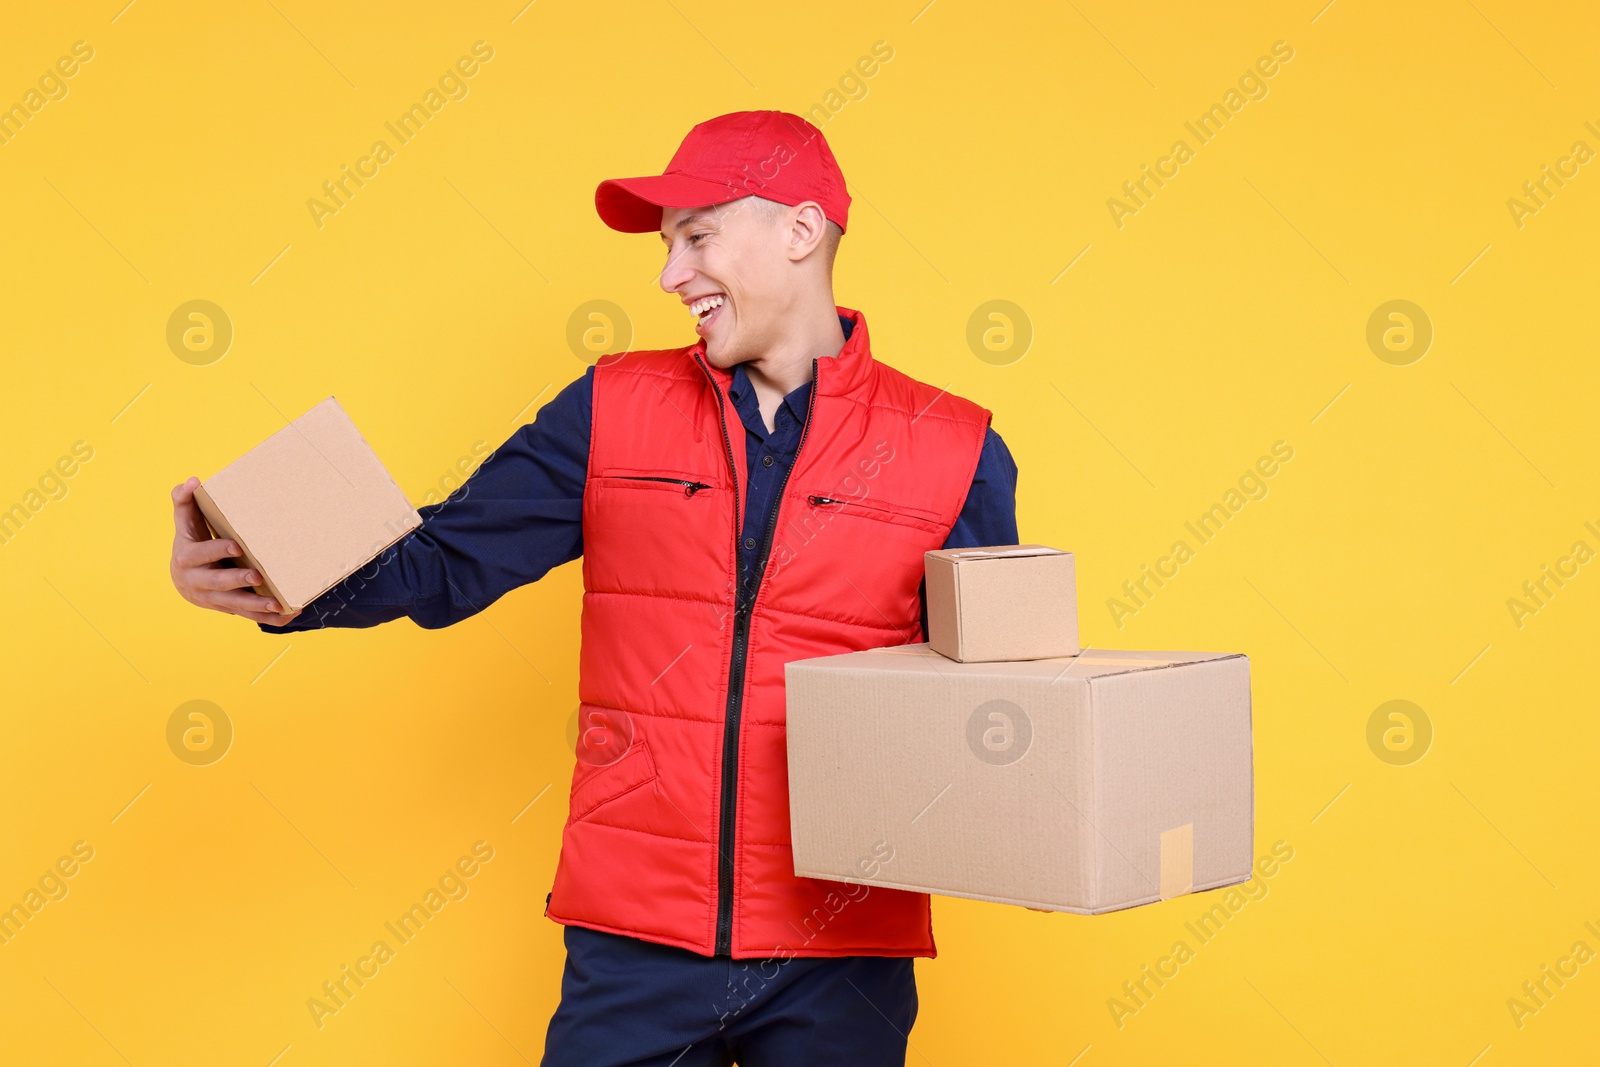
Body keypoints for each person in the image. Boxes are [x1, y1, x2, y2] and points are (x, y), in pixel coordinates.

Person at [169, 110, 1019, 1066]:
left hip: (842, 945)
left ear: (800, 229)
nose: (670, 275)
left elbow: (988, 700)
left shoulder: (955, 447)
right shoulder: (614, 407)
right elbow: (445, 559)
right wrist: (269, 574)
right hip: (634, 937)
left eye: (696, 237)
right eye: (666, 247)